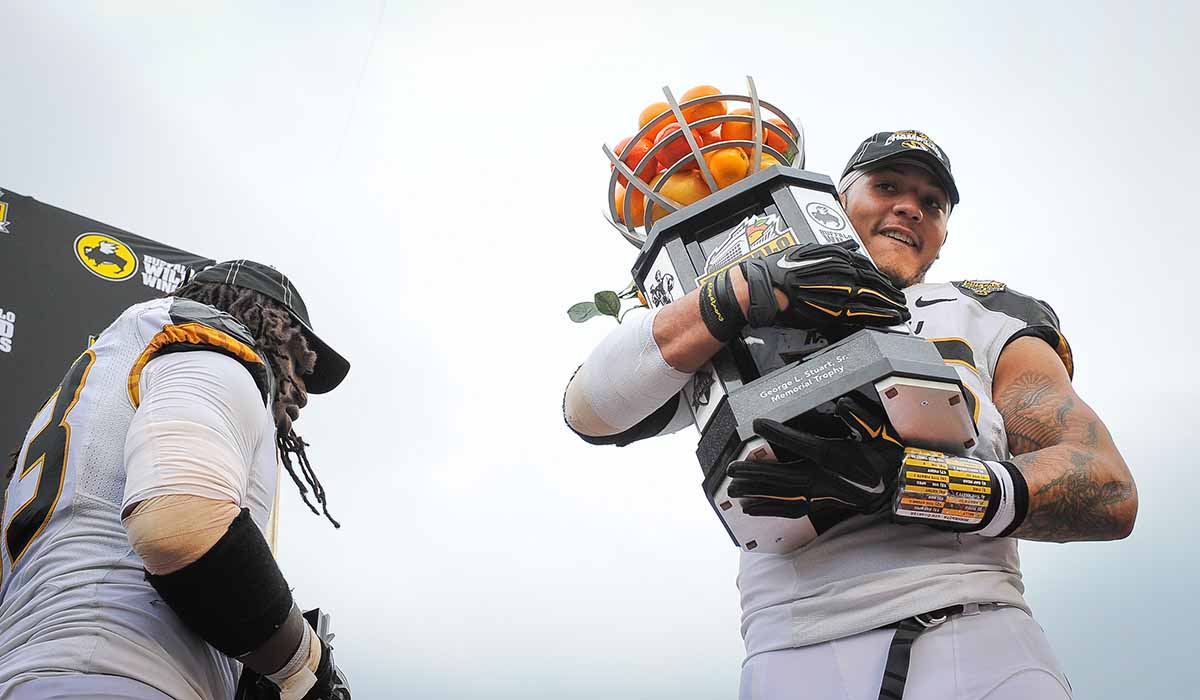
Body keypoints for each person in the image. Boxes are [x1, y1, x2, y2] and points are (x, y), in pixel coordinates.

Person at [563, 131, 1137, 699]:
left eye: (933, 202)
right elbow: (590, 411)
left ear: (942, 237)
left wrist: (910, 484)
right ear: (833, 202)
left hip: (970, 625)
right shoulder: (751, 307)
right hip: (791, 649)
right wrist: (742, 291)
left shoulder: (983, 312)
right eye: (887, 186)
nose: (910, 207)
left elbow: (1107, 487)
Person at [0, 260, 353, 700]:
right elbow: (180, 528)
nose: (300, 390)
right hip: (116, 676)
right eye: (299, 362)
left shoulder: (117, 366)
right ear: (268, 325)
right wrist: (306, 667)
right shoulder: (212, 343)